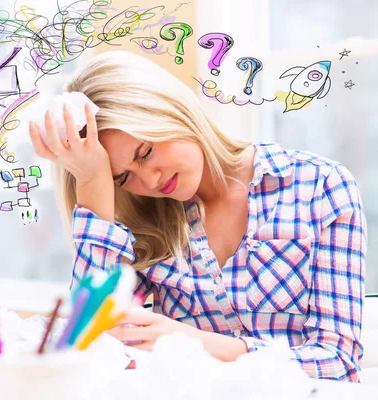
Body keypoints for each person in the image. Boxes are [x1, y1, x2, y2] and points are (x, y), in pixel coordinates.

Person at [28, 51, 366, 382]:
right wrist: (92, 179)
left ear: (171, 112)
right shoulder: (143, 223)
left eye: (145, 152)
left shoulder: (319, 186)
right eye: (123, 177)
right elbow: (89, 342)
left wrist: (194, 343)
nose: (149, 180)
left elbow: (338, 361)